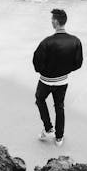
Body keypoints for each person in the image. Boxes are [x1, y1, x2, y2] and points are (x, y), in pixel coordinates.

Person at [33, 8, 83, 147]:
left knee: (40, 99)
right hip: (63, 81)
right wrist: (64, 70)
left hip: (45, 81)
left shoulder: (46, 42)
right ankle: (59, 138)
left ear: (55, 22)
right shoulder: (75, 41)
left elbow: (37, 63)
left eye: (52, 20)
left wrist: (45, 71)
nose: (51, 22)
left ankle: (48, 128)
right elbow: (78, 63)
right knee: (59, 107)